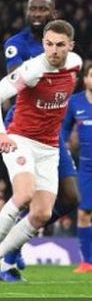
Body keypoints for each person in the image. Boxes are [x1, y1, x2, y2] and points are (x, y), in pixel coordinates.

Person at [0, 20, 81, 282]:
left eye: (60, 45)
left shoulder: (76, 64)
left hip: (49, 147)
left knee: (42, 213)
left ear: (71, 45)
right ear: (43, 43)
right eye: (48, 44)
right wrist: (0, 133)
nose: (53, 50)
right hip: (21, 138)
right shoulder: (32, 70)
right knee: (24, 194)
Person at [61, 63, 92, 273]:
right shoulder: (75, 102)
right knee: (84, 213)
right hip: (86, 167)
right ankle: (88, 262)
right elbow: (63, 128)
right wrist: (61, 147)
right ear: (86, 78)